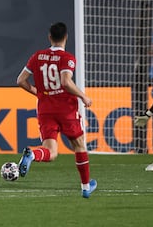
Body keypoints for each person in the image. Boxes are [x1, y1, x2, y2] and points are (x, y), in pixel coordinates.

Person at [16, 22, 97, 198]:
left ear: (49, 37)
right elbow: (66, 82)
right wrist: (83, 96)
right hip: (66, 109)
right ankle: (85, 187)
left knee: (51, 152)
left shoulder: (37, 56)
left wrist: (38, 93)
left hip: (45, 109)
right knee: (79, 145)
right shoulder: (67, 58)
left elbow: (20, 80)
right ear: (66, 37)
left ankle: (33, 155)